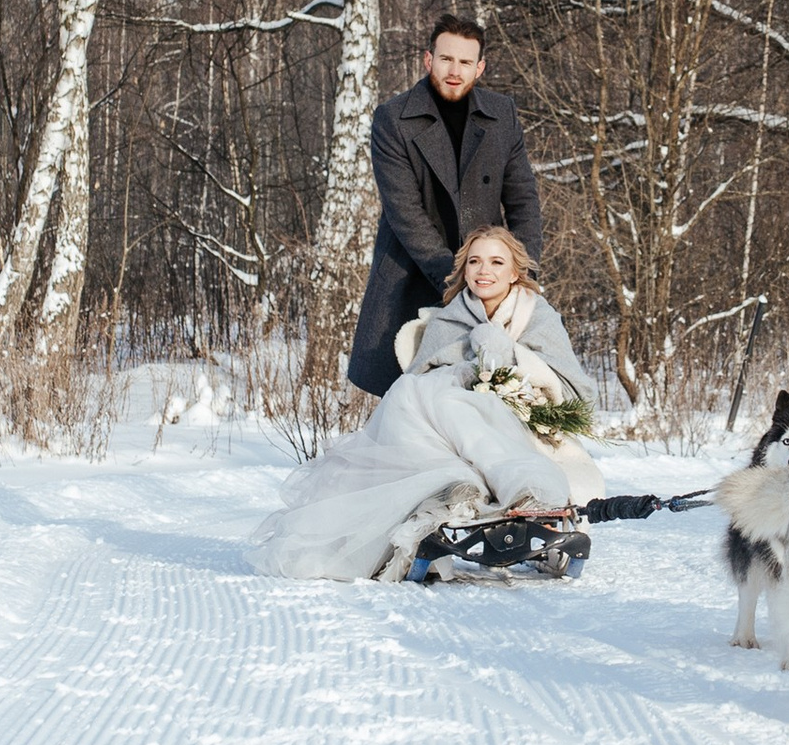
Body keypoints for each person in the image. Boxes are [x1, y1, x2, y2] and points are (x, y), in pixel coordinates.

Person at [254, 226, 603, 582]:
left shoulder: (539, 317)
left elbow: (575, 391)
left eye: (497, 262)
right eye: (475, 261)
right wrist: (470, 369)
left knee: (434, 395)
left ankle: (527, 488)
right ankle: (456, 485)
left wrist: (511, 358)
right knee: (410, 390)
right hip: (445, 430)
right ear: (464, 270)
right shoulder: (450, 318)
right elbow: (424, 375)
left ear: (515, 272)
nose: (484, 271)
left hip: (520, 424)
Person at [346, 14, 544, 398]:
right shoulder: (393, 119)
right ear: (428, 59)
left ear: (480, 67)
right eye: (446, 59)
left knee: (493, 395)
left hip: (489, 279)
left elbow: (523, 200)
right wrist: (458, 280)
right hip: (413, 274)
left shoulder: (502, 115)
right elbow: (405, 213)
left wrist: (519, 277)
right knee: (410, 399)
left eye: (466, 62)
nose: (455, 71)